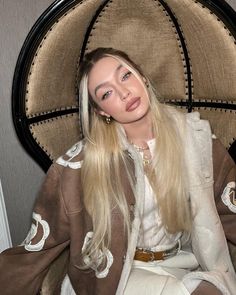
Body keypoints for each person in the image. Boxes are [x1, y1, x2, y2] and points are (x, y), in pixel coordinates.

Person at [0, 47, 235, 295]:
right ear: (102, 111)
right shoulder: (81, 164)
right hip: (116, 276)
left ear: (142, 76)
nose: (124, 93)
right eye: (107, 93)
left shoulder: (195, 138)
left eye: (125, 76)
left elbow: (230, 211)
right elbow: (41, 246)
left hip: (181, 262)